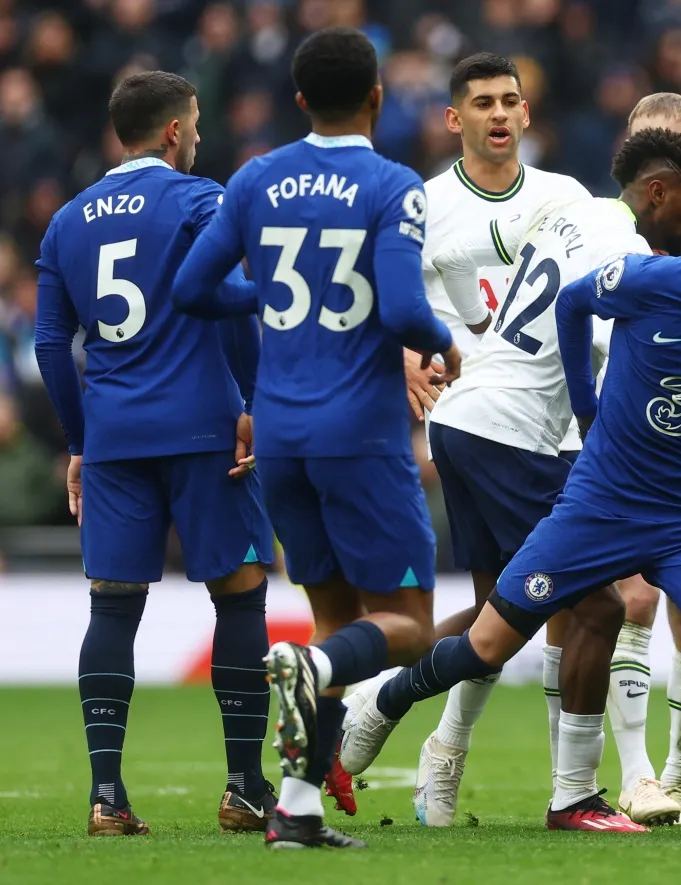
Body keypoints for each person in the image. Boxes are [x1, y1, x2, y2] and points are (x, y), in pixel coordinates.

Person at [348, 184, 681, 841]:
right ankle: (385, 702)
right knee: (485, 645)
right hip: (598, 506)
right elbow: (571, 301)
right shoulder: (648, 279)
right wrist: (586, 408)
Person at [341, 128, 681, 832]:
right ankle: (572, 793)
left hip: (464, 415)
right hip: (515, 434)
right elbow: (601, 334)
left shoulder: (573, 211)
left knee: (502, 609)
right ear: (657, 190)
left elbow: (481, 265)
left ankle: (405, 718)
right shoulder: (625, 251)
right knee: (599, 608)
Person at [173, 27, 460, 849]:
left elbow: (194, 287)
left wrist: (268, 292)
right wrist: (443, 340)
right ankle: (315, 670)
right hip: (361, 435)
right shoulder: (392, 182)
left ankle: (295, 806)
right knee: (404, 618)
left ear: (299, 99)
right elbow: (404, 310)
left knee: (335, 615)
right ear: (376, 96)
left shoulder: (258, 176)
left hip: (283, 437)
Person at [333, 51, 593, 823]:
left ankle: (431, 746)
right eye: (483, 103)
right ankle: (574, 790)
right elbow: (392, 298)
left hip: (552, 424)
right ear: (455, 119)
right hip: (479, 421)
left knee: (499, 607)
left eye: (511, 100)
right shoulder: (422, 204)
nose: (501, 114)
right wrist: (411, 352)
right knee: (584, 602)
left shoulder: (564, 196)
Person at [33, 71, 274, 836]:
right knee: (237, 594)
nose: (197, 134)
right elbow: (231, 301)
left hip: (114, 438)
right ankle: (243, 788)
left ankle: (107, 795)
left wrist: (80, 440)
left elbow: (49, 343)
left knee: (112, 602)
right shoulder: (203, 200)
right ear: (173, 131)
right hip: (204, 426)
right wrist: (250, 402)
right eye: (194, 123)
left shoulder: (66, 221)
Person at [607, 91, 681, 826]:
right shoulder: (599, 227)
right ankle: (636, 773)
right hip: (619, 438)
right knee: (631, 601)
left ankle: (679, 773)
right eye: (655, 145)